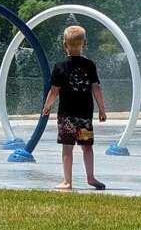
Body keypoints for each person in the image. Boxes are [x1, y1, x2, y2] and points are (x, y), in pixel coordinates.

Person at [41, 25, 107, 191]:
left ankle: (67, 181)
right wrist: (102, 109)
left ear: (65, 45)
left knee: (67, 148)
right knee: (87, 147)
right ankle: (91, 177)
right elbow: (96, 88)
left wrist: (47, 106)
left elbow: (54, 91)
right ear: (85, 44)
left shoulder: (59, 66)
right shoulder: (90, 65)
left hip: (66, 116)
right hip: (84, 115)